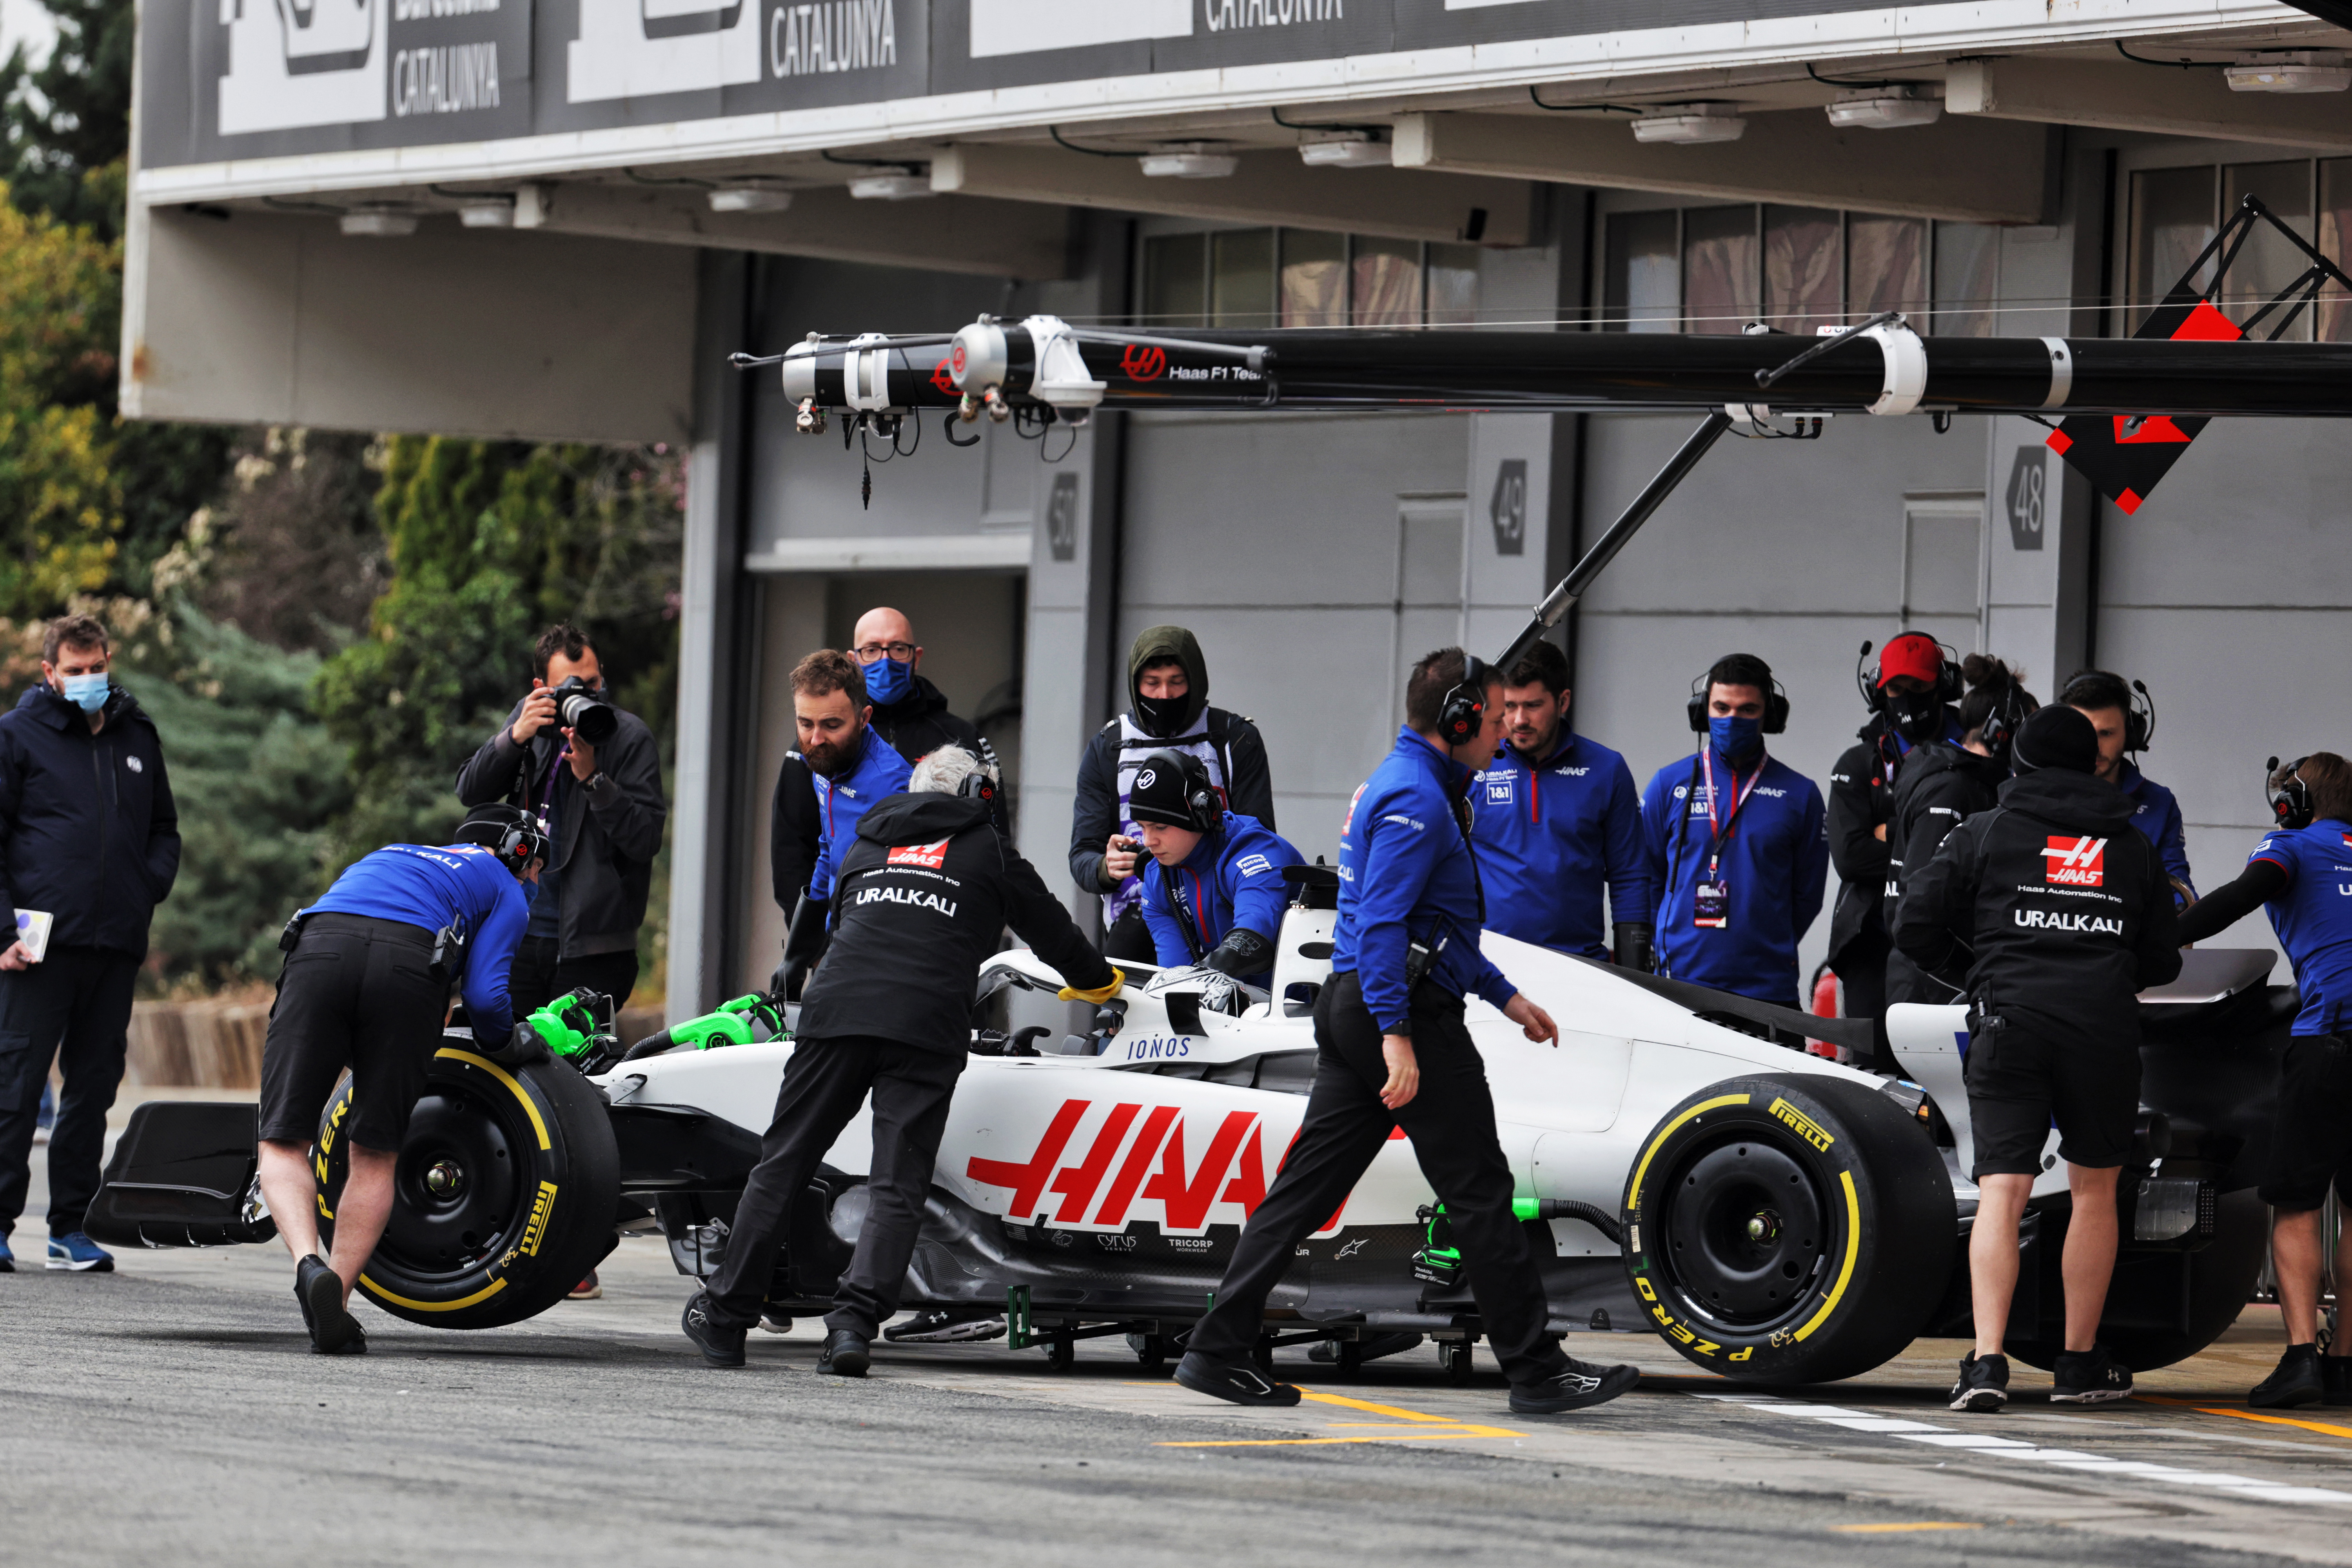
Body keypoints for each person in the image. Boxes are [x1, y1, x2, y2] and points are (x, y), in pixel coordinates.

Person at [1172, 649, 1641, 1416]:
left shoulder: (1408, 784)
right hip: (1400, 1011)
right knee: (1482, 1189)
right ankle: (1536, 1369)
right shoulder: (1419, 801)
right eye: (1491, 719)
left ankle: (1215, 1347)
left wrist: (1505, 994)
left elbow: (1434, 927)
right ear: (1457, 719)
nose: (1499, 734)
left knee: (1304, 1189)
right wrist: (1397, 1035)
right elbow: (1385, 923)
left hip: (1371, 1002)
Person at [680, 746, 1121, 1374]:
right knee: (897, 1182)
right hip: (924, 1025)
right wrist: (1105, 986)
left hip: (837, 1015)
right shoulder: (991, 851)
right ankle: (854, 1327)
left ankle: (724, 1319)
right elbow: (1060, 940)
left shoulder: (865, 843)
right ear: (980, 797)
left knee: (783, 1163)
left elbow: (846, 927)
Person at [1892, 706, 2181, 1414]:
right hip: (2102, 1033)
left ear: (2018, 760)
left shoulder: (1986, 831)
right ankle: (2078, 1365)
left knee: (2004, 1190)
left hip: (2009, 1024)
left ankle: (1988, 1363)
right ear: (2095, 764)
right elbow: (2162, 960)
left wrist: (1981, 975)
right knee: (2094, 1191)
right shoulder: (2135, 845)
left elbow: (1912, 925)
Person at [256, 804, 543, 1353]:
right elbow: (487, 1000)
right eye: (537, 868)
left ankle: (307, 1264)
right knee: (375, 1151)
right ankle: (334, 1303)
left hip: (320, 948)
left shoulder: (389, 855)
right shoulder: (504, 887)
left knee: (282, 1140)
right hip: (410, 969)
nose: (537, 881)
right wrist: (513, 1042)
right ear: (518, 853)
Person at [0, 614, 179, 1275]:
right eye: (72, 671)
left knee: (92, 1090)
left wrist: (144, 888)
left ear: (110, 661)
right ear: (49, 674)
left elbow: (166, 829)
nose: (86, 680)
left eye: (94, 667)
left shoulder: (138, 736)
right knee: (14, 1086)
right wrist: (2, 934)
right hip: (34, 947)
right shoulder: (16, 737)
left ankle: (69, 1229)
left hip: (114, 946)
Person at [2174, 754, 2352, 1409]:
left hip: (2329, 1038)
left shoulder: (2292, 845)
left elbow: (2239, 898)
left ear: (2295, 801)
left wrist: (2156, 942)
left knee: (2299, 1204)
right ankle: (2346, 1363)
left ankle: (2303, 1357)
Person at [772, 613, 992, 1001]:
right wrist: (799, 953)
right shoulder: (821, 759)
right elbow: (828, 851)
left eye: (831, 725)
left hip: (883, 951)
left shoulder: (892, 782)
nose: (816, 738)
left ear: (864, 718)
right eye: (805, 723)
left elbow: (911, 881)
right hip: (838, 939)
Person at [456, 622, 667, 1016]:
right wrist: (514, 737)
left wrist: (594, 778)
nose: (586, 697)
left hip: (594, 948)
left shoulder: (628, 737)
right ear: (541, 686)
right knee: (502, 1061)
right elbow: (470, 791)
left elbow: (645, 839)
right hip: (518, 932)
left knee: (573, 1072)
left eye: (594, 683)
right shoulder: (529, 724)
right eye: (572, 688)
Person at [1071, 626, 1274, 965]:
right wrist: (1106, 867)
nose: (1164, 695)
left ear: (1196, 680)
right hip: (1136, 917)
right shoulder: (1108, 746)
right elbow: (1082, 857)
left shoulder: (1234, 737)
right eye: (1152, 683)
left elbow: (1261, 839)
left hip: (1220, 913)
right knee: (1128, 1010)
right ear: (1135, 685)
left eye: (1177, 682)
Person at [1638, 653, 1829, 1011]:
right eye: (1721, 708)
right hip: (1680, 987)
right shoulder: (1669, 784)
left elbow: (1808, 896)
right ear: (1702, 711)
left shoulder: (1800, 794)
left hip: (1768, 991)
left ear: (1769, 715)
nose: (1731, 719)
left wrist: (1761, 939)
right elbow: (1646, 877)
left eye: (1747, 710)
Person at [1470, 639, 1651, 969]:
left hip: (1578, 968)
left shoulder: (1607, 769)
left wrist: (1636, 976)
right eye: (1509, 706)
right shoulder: (1472, 764)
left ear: (1563, 700)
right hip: (1486, 965)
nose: (1519, 720)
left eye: (1533, 705)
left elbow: (1630, 876)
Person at [1826, 633, 1964, 1061]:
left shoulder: (1975, 755)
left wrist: (1889, 831)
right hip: (1871, 940)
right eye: (1897, 689)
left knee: (1949, 1068)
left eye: (1920, 688)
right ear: (1878, 690)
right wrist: (1929, 840)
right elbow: (1850, 857)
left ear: (1944, 684)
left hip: (1953, 939)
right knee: (1873, 1075)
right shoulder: (1857, 762)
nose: (1908, 699)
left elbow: (1983, 846)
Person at [1881, 656, 2038, 1008]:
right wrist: (1967, 971)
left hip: (1947, 983)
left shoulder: (1974, 783)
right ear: (2001, 731)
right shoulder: (1951, 790)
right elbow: (1918, 909)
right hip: (1933, 989)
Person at [1129, 748, 1305, 1000]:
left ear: (1201, 815)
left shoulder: (1255, 852)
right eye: (1142, 827)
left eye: (1160, 827)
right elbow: (1175, 974)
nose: (1149, 841)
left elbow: (1252, 941)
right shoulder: (1157, 877)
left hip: (1302, 1010)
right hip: (1234, 1009)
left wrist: (1196, 982)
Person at [2062, 670, 2194, 907]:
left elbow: (2177, 887)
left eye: (2107, 733)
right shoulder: (2033, 797)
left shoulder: (2159, 802)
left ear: (2131, 735)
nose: (2095, 746)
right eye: (2084, 733)